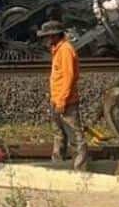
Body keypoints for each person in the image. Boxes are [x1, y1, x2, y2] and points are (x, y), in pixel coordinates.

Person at [37, 20, 88, 171]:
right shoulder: (57, 49)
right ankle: (58, 165)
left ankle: (80, 169)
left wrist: (62, 100)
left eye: (47, 36)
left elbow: (68, 77)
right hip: (58, 100)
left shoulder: (65, 50)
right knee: (59, 134)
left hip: (66, 101)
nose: (45, 40)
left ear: (55, 35)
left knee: (75, 137)